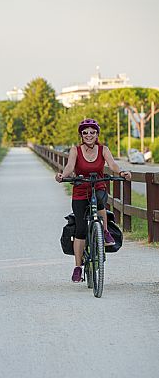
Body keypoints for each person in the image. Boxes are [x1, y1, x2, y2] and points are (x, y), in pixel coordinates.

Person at [55, 118, 131, 283]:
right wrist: (63, 175)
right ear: (81, 135)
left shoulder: (104, 149)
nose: (89, 135)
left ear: (97, 134)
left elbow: (112, 165)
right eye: (85, 133)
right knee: (80, 229)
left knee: (101, 201)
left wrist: (122, 173)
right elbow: (69, 166)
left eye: (92, 132)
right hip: (80, 190)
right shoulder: (75, 150)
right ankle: (77, 267)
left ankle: (104, 231)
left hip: (98, 186)